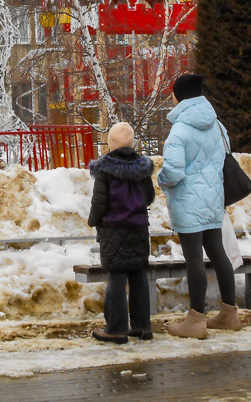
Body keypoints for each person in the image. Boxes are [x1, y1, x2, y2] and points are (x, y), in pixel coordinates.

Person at [158, 74, 242, 339]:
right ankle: (229, 313)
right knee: (218, 254)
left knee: (194, 258)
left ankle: (195, 320)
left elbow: (173, 171)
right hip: (213, 198)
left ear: (179, 96)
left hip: (187, 201)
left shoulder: (180, 129)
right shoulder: (217, 125)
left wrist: (161, 181)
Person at [88, 121, 156, 344]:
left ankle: (116, 328)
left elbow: (100, 201)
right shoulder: (142, 167)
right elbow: (149, 197)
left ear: (111, 143)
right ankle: (142, 327)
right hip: (138, 229)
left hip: (114, 230)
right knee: (138, 276)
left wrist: (93, 220)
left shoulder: (105, 169)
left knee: (116, 277)